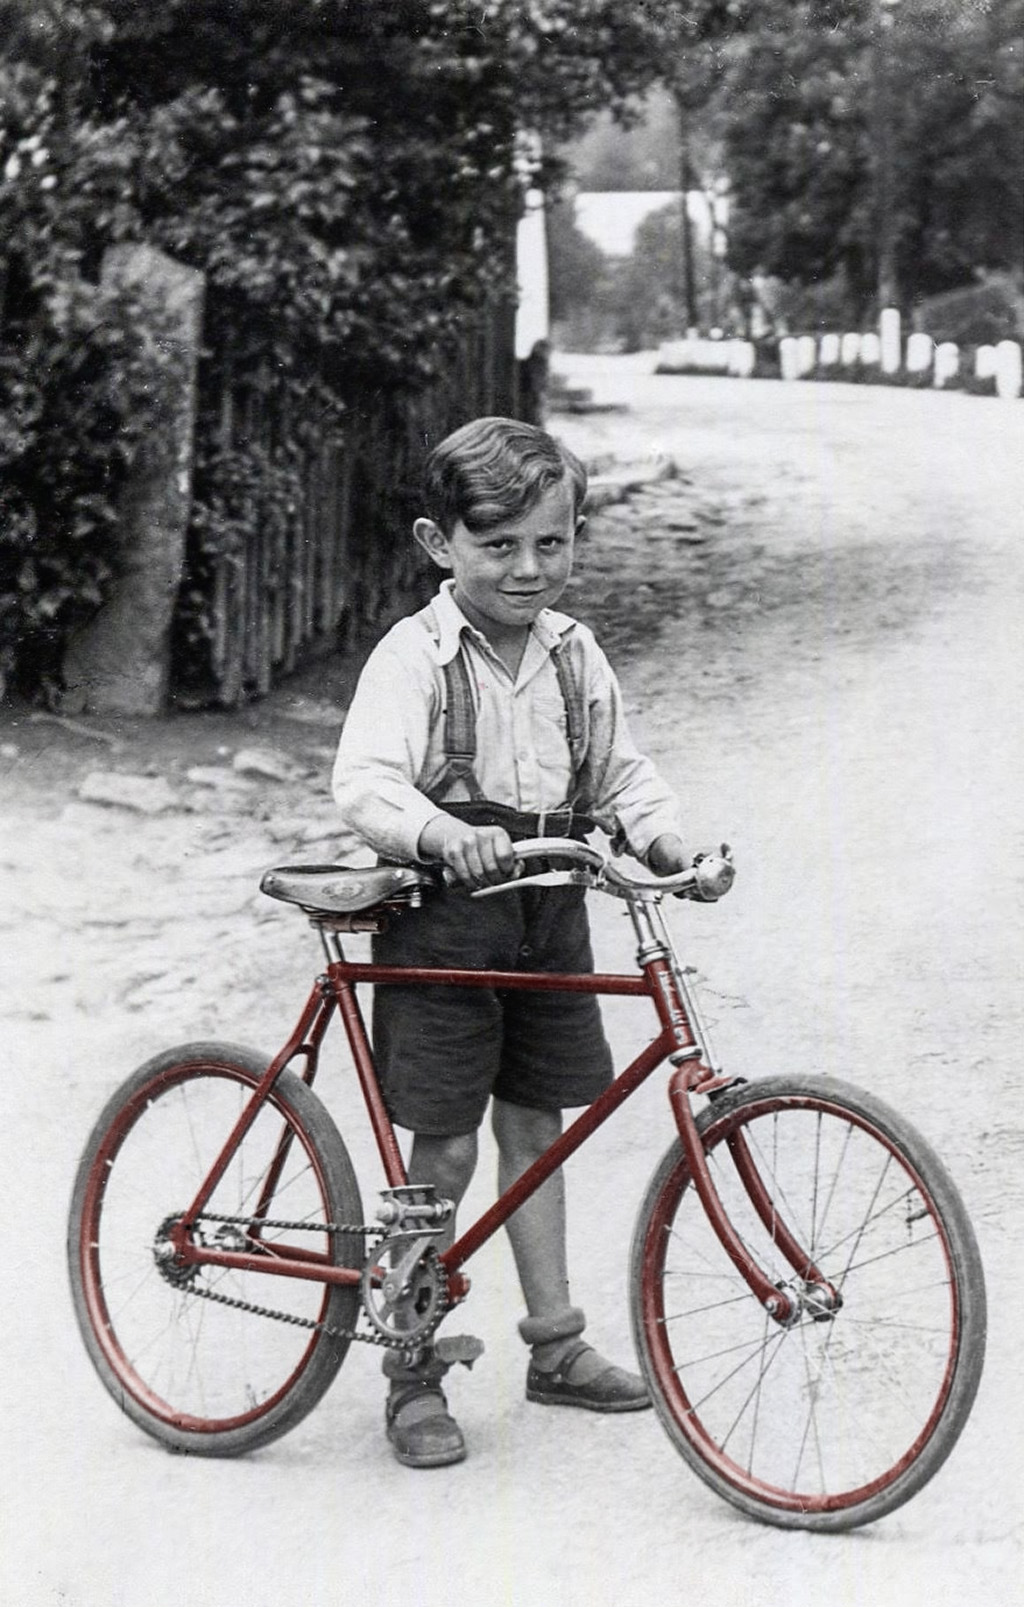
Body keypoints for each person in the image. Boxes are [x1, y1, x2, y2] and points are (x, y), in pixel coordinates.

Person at [331, 416, 690, 1469]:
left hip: (551, 903)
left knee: (538, 1123)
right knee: (441, 1141)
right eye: (500, 545)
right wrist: (444, 832)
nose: (529, 568)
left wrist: (664, 840)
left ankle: (556, 1343)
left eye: (552, 541)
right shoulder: (417, 656)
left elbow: (621, 771)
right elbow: (366, 782)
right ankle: (410, 1362)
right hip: (448, 912)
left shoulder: (576, 654)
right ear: (439, 542)